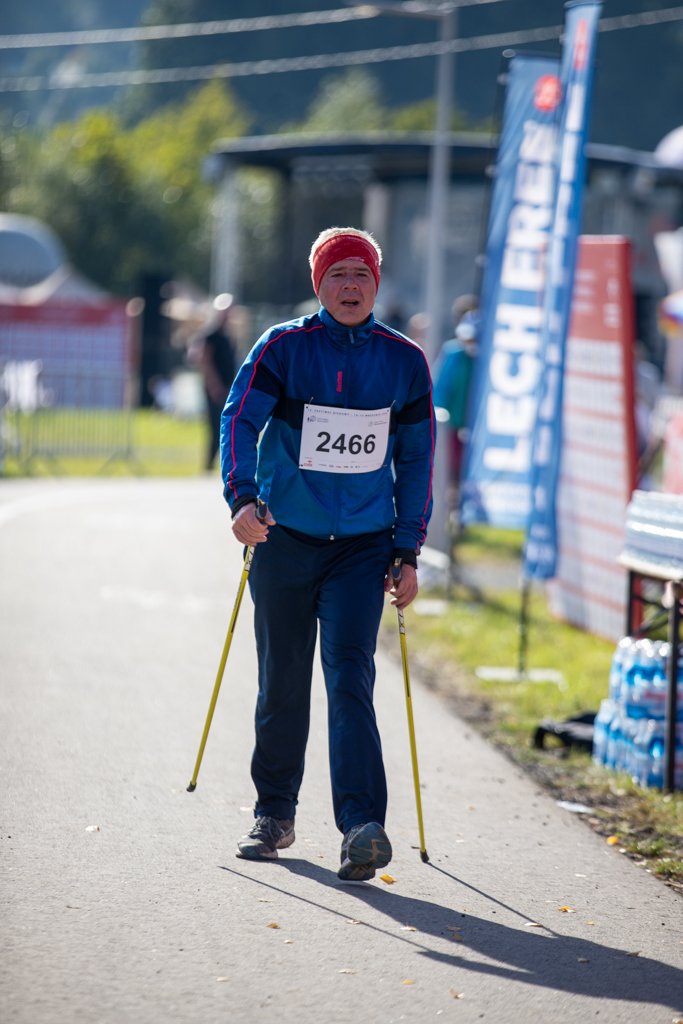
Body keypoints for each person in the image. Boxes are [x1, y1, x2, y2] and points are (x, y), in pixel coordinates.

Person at [220, 227, 434, 881]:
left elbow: (416, 459)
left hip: (362, 548)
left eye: (361, 274)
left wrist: (407, 549)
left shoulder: (404, 361)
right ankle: (274, 814)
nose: (350, 286)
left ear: (376, 284)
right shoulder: (282, 347)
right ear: (319, 284)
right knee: (283, 678)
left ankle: (362, 827)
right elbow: (239, 418)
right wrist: (242, 498)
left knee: (349, 676)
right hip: (284, 537)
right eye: (337, 274)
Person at [432, 296, 479, 483]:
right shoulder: (453, 353)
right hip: (456, 425)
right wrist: (440, 411)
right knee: (455, 475)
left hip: (480, 427)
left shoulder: (489, 356)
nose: (469, 342)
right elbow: (440, 389)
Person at [197, 302, 236, 470]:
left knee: (227, 426)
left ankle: (224, 463)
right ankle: (209, 464)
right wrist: (215, 386)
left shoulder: (227, 337)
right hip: (216, 389)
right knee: (215, 426)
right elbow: (205, 362)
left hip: (227, 388)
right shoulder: (210, 336)